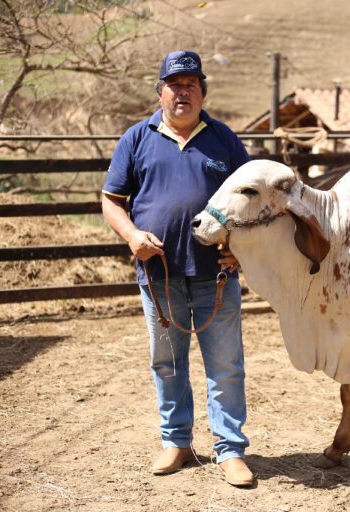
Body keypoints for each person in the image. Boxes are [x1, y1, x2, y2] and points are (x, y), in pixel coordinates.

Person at [101, 50, 253, 487]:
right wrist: (132, 237)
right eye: (175, 84)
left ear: (202, 92)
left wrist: (241, 249)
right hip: (160, 279)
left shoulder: (224, 139)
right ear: (161, 91)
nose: (182, 92)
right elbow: (112, 200)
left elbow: (252, 202)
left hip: (216, 277)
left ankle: (229, 450)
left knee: (225, 365)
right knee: (167, 365)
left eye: (191, 85)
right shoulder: (136, 137)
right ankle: (177, 442)